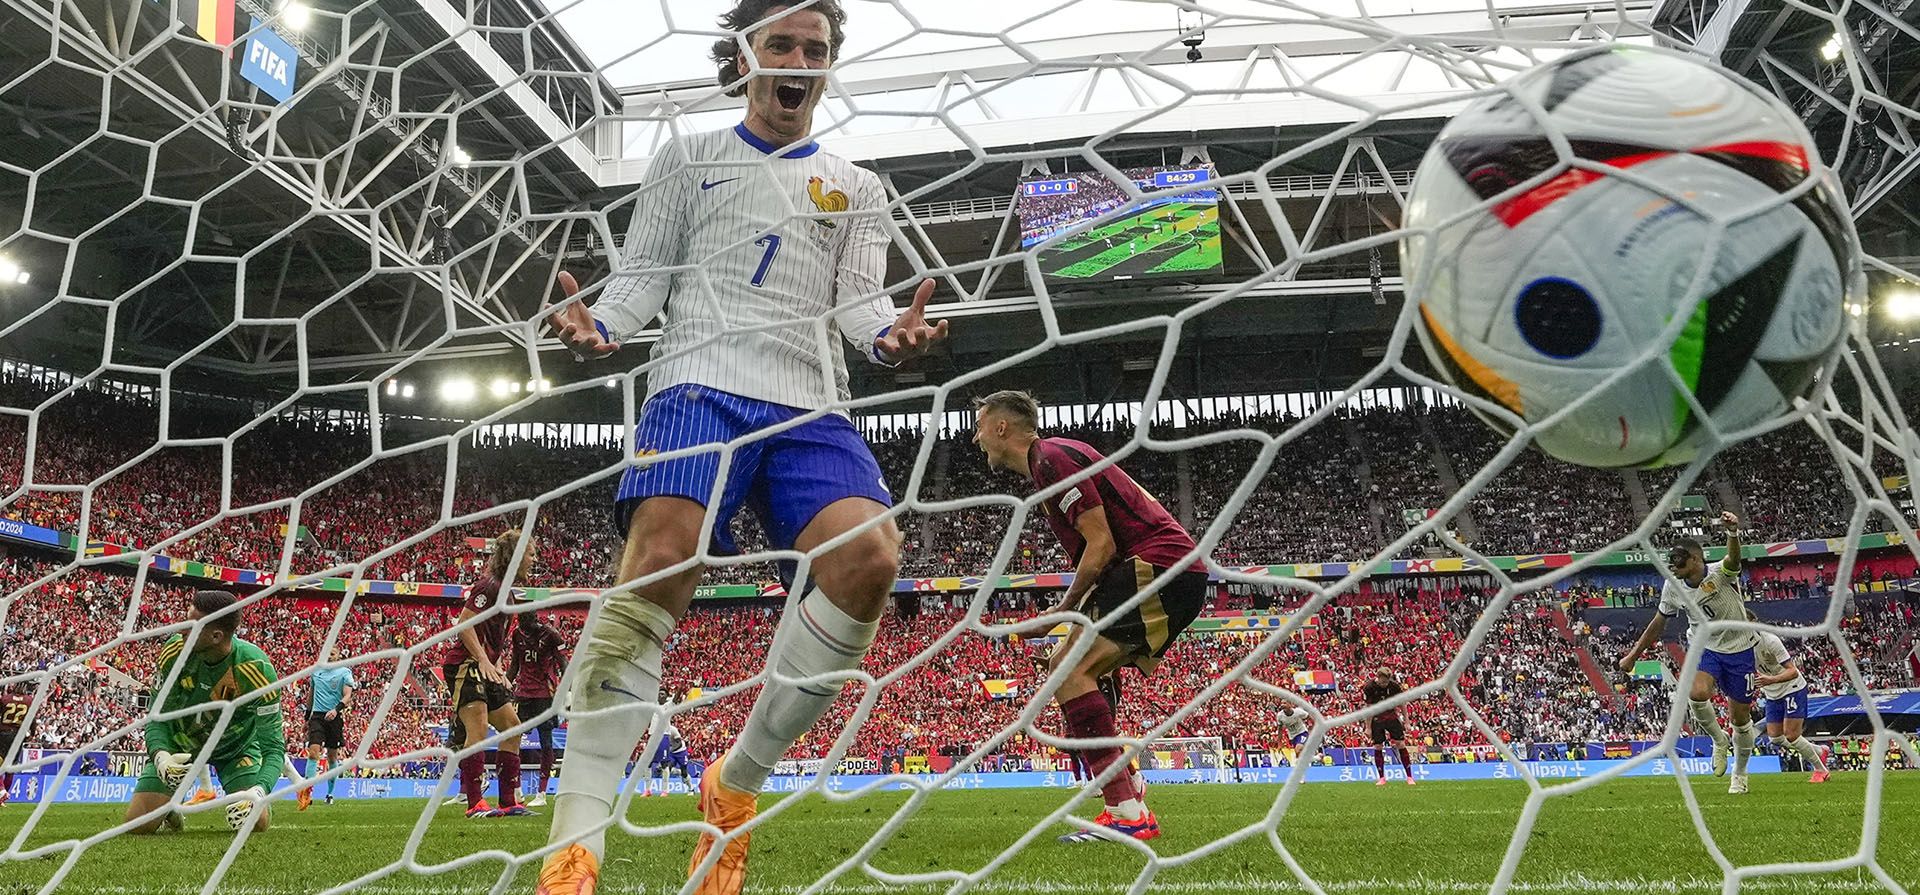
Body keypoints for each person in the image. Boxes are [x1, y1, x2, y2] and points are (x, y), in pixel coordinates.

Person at [536, 0, 949, 889]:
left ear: (829, 67)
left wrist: (891, 338)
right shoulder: (688, 155)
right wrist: (599, 323)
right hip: (698, 379)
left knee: (871, 558)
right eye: (783, 43)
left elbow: (860, 310)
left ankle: (736, 782)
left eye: (817, 48)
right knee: (660, 554)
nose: (800, 59)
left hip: (809, 401)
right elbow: (643, 278)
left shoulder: (857, 184)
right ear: (745, 57)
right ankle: (575, 846)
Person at [972, 389, 1208, 844]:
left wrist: (1062, 613)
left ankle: (1128, 815)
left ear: (1002, 427)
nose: (977, 438)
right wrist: (1070, 627)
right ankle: (1130, 801)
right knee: (1071, 668)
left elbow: (1101, 546)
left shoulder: (1052, 459)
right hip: (1160, 569)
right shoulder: (1053, 461)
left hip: (1159, 566)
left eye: (981, 426)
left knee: (1070, 670)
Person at [1618, 512, 1756, 794]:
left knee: (1741, 720)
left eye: (1679, 562)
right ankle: (1719, 741)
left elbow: (1734, 561)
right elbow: (1659, 622)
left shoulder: (1719, 573)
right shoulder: (1672, 585)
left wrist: (1732, 533)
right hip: (1704, 646)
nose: (1674, 567)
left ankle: (1740, 774)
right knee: (1695, 692)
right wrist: (1633, 655)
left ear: (1696, 559)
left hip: (1740, 648)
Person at [124, 590, 284, 834]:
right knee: (138, 826)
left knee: (255, 823)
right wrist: (161, 756)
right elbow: (156, 717)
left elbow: (274, 749)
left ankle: (251, 796)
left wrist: (258, 790)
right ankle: (168, 806)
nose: (181, 629)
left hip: (235, 750)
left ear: (216, 636)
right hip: (181, 746)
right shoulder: (174, 653)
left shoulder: (256, 669)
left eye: (191, 624)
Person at [445, 529, 535, 819]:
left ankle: (508, 802)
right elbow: (464, 624)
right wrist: (483, 660)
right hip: (465, 665)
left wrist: (495, 667)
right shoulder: (490, 586)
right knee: (478, 730)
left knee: (512, 726)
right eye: (530, 554)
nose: (534, 560)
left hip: (483, 667)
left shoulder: (505, 589)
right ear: (516, 556)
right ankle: (475, 804)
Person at [1752, 624, 1830, 784]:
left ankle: (1820, 770)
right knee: (1775, 738)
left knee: (1792, 735)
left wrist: (1770, 679)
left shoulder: (1770, 641)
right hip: (1772, 693)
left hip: (1792, 688)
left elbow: (1793, 671)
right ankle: (1818, 750)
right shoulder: (1739, 646)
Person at [511, 609, 570, 807]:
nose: (523, 629)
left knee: (546, 741)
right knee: (513, 738)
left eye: (525, 624)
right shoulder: (517, 634)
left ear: (534, 620)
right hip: (523, 693)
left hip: (545, 693)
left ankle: (541, 793)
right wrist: (504, 685)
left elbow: (562, 661)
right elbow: (514, 664)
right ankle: (516, 789)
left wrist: (568, 685)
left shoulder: (551, 635)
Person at [296, 660, 357, 809]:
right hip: (317, 717)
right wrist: (306, 718)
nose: (330, 656)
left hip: (335, 718)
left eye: (333, 653)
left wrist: (336, 710)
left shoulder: (344, 672)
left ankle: (330, 794)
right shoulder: (316, 672)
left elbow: (348, 695)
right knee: (313, 752)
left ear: (338, 656)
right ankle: (307, 793)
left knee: (332, 756)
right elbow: (311, 696)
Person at [1360, 668, 1415, 786]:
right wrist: (1368, 727)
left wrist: (1406, 721)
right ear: (1378, 677)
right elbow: (1369, 708)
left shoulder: (1394, 686)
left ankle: (1409, 777)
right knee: (1378, 746)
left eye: (1386, 682)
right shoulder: (1369, 687)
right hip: (1377, 718)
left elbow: (1402, 704)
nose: (1384, 685)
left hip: (1391, 716)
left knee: (1401, 744)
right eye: (1382, 682)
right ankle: (1381, 778)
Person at [644, 723, 695, 797]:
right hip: (671, 753)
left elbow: (679, 743)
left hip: (681, 751)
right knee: (668, 768)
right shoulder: (658, 731)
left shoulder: (673, 730)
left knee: (684, 772)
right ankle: (678, 773)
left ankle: (691, 788)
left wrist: (669, 749)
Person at [0, 684, 29, 808]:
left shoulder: (5, 699)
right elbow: (31, 719)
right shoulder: (29, 700)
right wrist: (31, 732)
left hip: (4, 733)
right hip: (19, 735)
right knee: (11, 769)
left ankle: (1, 791)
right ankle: (3, 797)